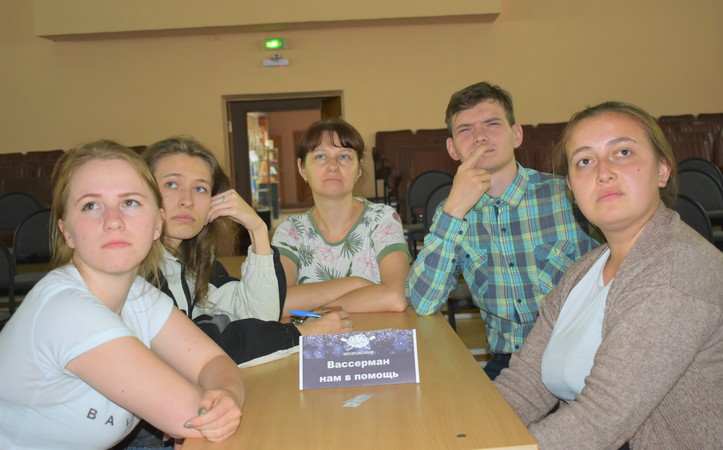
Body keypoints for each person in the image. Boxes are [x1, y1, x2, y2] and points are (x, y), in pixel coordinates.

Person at [494, 102, 723, 449]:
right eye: (585, 161)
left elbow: (600, 421)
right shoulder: (584, 270)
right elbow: (527, 383)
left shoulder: (677, 271)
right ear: (571, 189)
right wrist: (466, 430)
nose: (603, 172)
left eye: (623, 152)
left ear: (662, 171)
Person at [0, 140, 243, 449]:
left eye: (130, 202)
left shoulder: (136, 293)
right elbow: (192, 415)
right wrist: (214, 405)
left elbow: (214, 362)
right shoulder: (66, 310)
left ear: (157, 223)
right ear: (66, 231)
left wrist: (226, 395)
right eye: (90, 205)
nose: (113, 220)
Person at [118, 136, 352, 448]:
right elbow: (196, 352)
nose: (187, 200)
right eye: (172, 184)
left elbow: (258, 313)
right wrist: (299, 334)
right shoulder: (131, 272)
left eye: (200, 188)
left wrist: (257, 230)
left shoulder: (194, 262)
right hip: (138, 437)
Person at [406, 82, 600, 379]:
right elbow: (422, 301)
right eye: (465, 129)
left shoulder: (567, 195)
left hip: (582, 355)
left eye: (492, 124)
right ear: (452, 149)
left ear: (516, 134)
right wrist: (454, 211)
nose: (480, 136)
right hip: (510, 362)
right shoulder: (452, 212)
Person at [272, 118, 410, 314]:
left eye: (344, 156)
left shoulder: (382, 220)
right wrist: (355, 283)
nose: (333, 166)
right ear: (302, 168)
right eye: (320, 156)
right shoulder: (291, 231)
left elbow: (396, 297)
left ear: (359, 168)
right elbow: (276, 302)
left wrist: (315, 310)